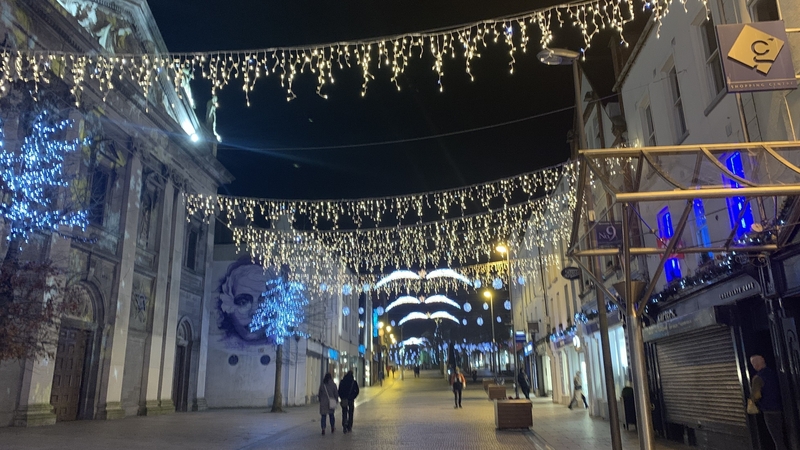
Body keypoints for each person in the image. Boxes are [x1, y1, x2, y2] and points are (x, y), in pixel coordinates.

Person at [749, 355, 788, 450]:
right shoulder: (775, 373)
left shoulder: (758, 378)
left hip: (770, 411)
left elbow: (756, 396)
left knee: (778, 439)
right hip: (784, 408)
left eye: (753, 363)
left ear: (755, 365)